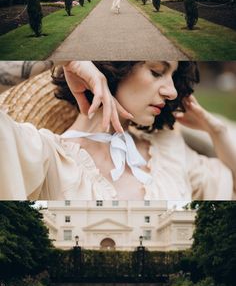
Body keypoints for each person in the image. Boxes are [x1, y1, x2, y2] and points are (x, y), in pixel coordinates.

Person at [0, 60, 235, 201]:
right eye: (156, 71)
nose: (172, 92)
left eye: (173, 76)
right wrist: (65, 57)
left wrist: (217, 131)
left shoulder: (168, 150)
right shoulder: (44, 156)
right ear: (116, 67)